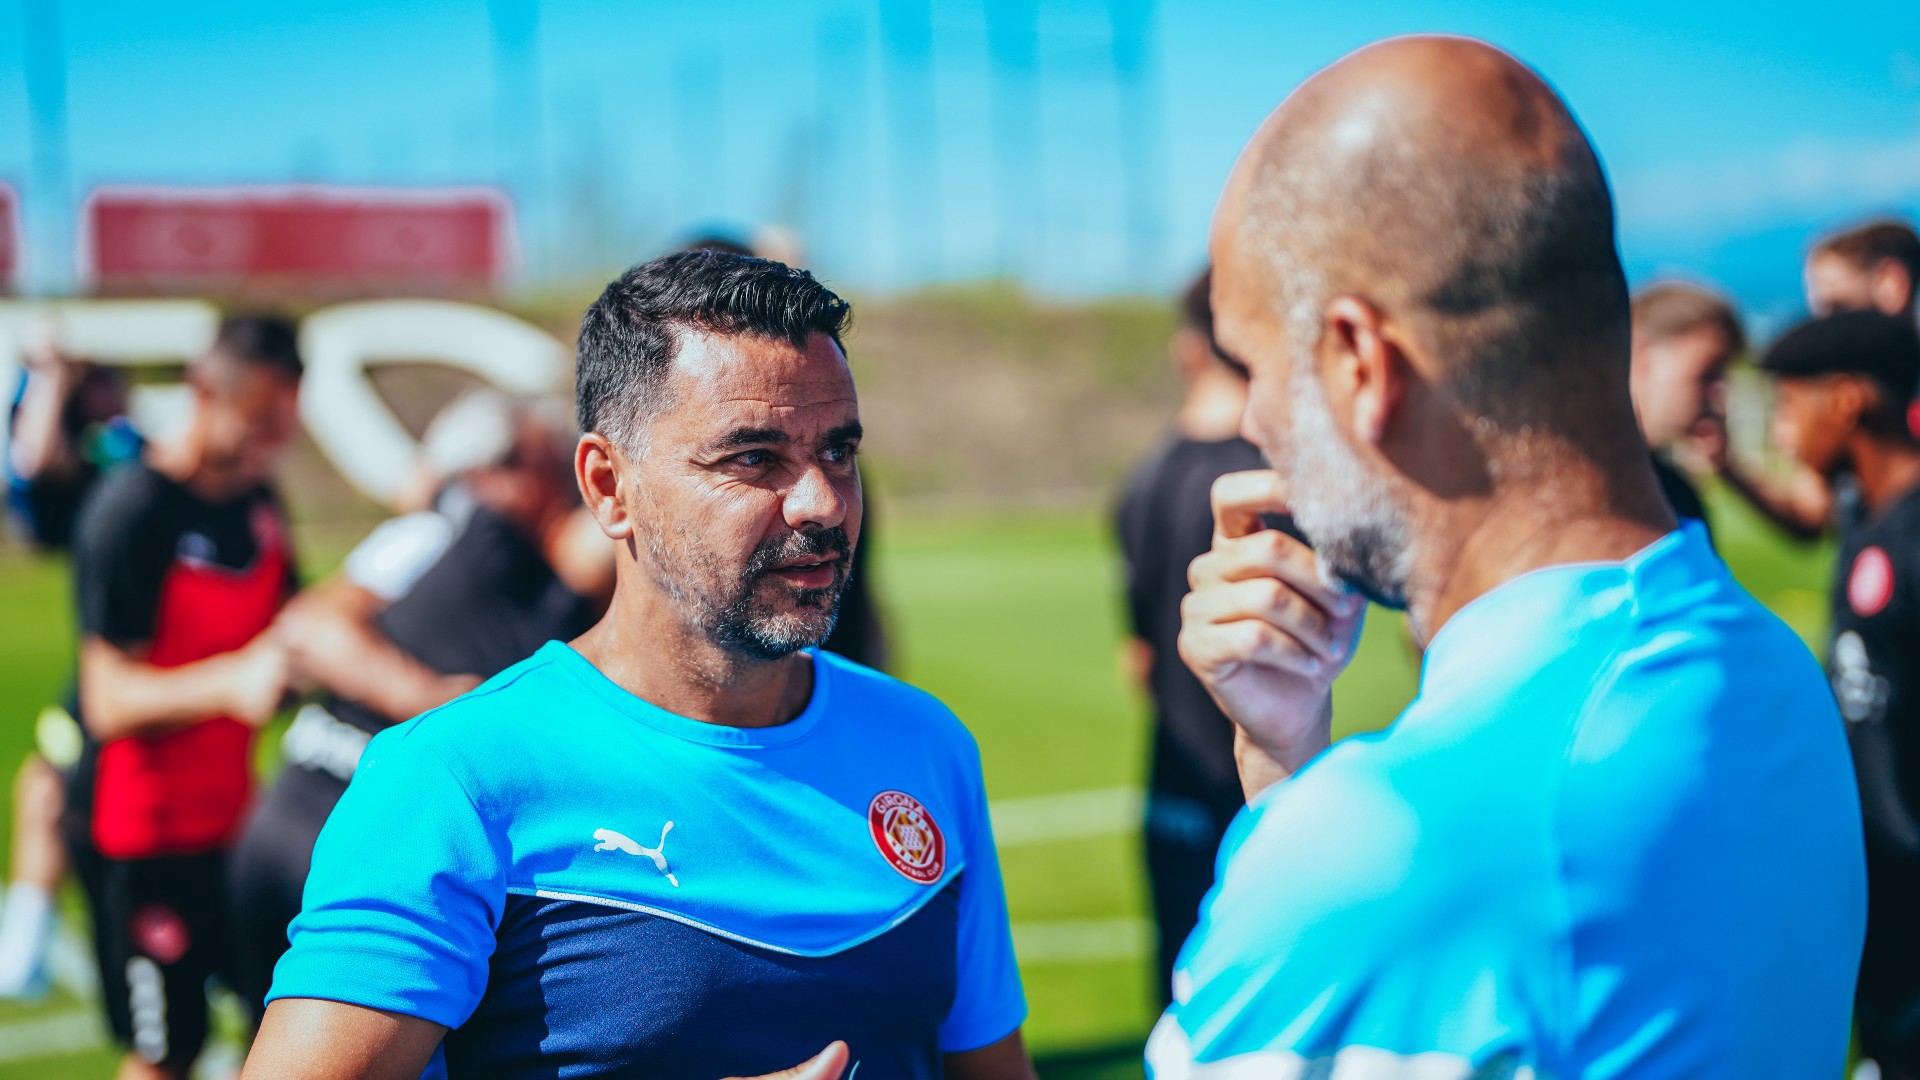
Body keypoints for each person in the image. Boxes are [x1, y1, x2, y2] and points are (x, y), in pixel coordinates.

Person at [1152, 35, 1864, 1078]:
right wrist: (1286, 765)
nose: (1252, 419)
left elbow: (1425, 889)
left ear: (1360, 362)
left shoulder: (1390, 845)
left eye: (1255, 362)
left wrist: (1304, 824)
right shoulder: (1772, 675)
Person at [242, 251, 1032, 1080]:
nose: (822, 504)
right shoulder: (452, 778)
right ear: (609, 486)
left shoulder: (926, 746)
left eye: (838, 452)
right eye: (754, 459)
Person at [225, 390, 605, 1020]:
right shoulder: (458, 528)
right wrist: (429, 701)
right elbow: (309, 624)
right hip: (328, 834)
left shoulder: (508, 541)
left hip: (321, 832)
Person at [67, 314, 303, 1080]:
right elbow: (108, 698)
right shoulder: (131, 513)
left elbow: (292, 625)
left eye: (285, 420)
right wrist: (232, 681)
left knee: (287, 1022)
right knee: (168, 1049)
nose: (274, 438)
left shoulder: (260, 503)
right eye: (260, 418)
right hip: (143, 836)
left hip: (238, 825)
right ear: (206, 391)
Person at [1116, 267, 1301, 1002]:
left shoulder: (1145, 476)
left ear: (1191, 348)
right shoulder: (1269, 481)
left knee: (1182, 994)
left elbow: (1139, 657)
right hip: (1258, 771)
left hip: (1170, 772)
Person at [1755, 311, 1920, 1079]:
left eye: (1791, 407)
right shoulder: (1864, 517)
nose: (1783, 434)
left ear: (1847, 401)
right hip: (1881, 885)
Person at [0, 342, 144, 1000]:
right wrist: (52, 377)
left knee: (52, 786)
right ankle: (28, 934)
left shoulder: (127, 451)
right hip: (111, 664)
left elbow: (37, 457)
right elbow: (32, 459)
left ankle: (29, 936)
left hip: (140, 665)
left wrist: (53, 372)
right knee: (48, 784)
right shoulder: (89, 459)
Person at [1713, 219, 1920, 541]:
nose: (1822, 326)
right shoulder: (1835, 407)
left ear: (1891, 284)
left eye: (1835, 307)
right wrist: (1726, 467)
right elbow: (1811, 513)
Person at [1626, 281, 1744, 535]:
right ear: (1640, 356)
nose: (1722, 395)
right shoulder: (1596, 490)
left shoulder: (1676, 490)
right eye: (1708, 373)